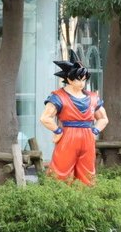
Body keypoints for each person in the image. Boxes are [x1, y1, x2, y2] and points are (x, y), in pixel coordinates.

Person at [39, 57, 108, 186]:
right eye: (78, 79)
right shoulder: (59, 96)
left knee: (87, 174)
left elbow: (103, 118)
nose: (82, 83)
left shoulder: (93, 97)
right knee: (60, 172)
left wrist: (94, 130)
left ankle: (86, 202)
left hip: (87, 137)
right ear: (69, 79)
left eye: (84, 79)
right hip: (68, 136)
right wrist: (58, 130)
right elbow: (45, 117)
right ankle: (57, 200)